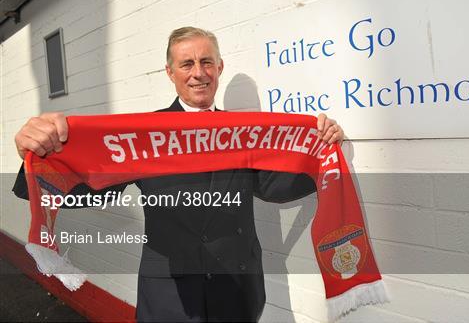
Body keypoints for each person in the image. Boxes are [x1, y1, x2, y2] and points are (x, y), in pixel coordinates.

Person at [13, 27, 344, 322]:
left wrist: (320, 150)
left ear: (219, 68)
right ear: (170, 72)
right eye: (187, 64)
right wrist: (38, 155)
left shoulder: (245, 132)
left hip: (239, 291)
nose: (198, 73)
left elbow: (274, 187)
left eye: (206, 62)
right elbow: (91, 188)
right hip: (168, 296)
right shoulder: (143, 134)